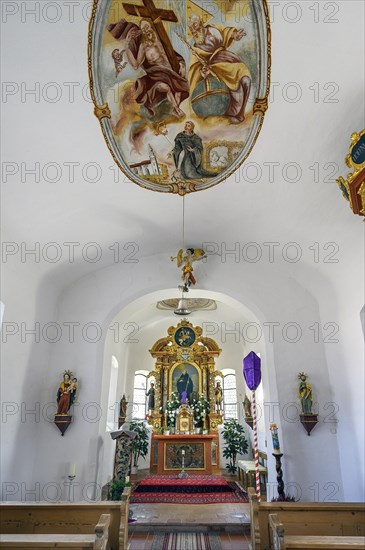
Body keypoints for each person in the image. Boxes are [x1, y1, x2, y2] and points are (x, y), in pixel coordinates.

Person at [111, 18, 189, 117]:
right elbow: (135, 65)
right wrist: (127, 47)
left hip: (171, 72)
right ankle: (177, 110)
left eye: (147, 27)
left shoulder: (161, 39)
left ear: (152, 27)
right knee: (166, 87)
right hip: (158, 75)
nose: (146, 30)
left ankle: (175, 109)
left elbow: (172, 54)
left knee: (179, 89)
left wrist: (181, 63)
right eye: (143, 29)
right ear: (141, 32)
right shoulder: (143, 46)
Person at [188, 14, 251, 124]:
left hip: (228, 59)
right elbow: (194, 68)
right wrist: (202, 73)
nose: (194, 30)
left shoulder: (213, 28)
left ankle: (241, 113)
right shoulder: (196, 48)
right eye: (191, 28)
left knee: (246, 78)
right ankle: (231, 112)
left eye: (195, 25)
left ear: (201, 22)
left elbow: (225, 32)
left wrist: (234, 34)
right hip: (214, 68)